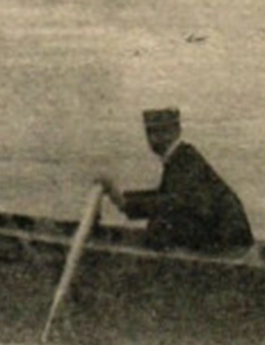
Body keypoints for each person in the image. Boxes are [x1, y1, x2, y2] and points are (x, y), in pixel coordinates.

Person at [102, 108, 253, 253]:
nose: (153, 138)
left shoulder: (186, 160)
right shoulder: (181, 157)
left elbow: (172, 202)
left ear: (176, 131)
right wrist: (124, 201)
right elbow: (168, 197)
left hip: (228, 248)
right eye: (150, 132)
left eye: (160, 131)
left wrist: (125, 203)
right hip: (224, 242)